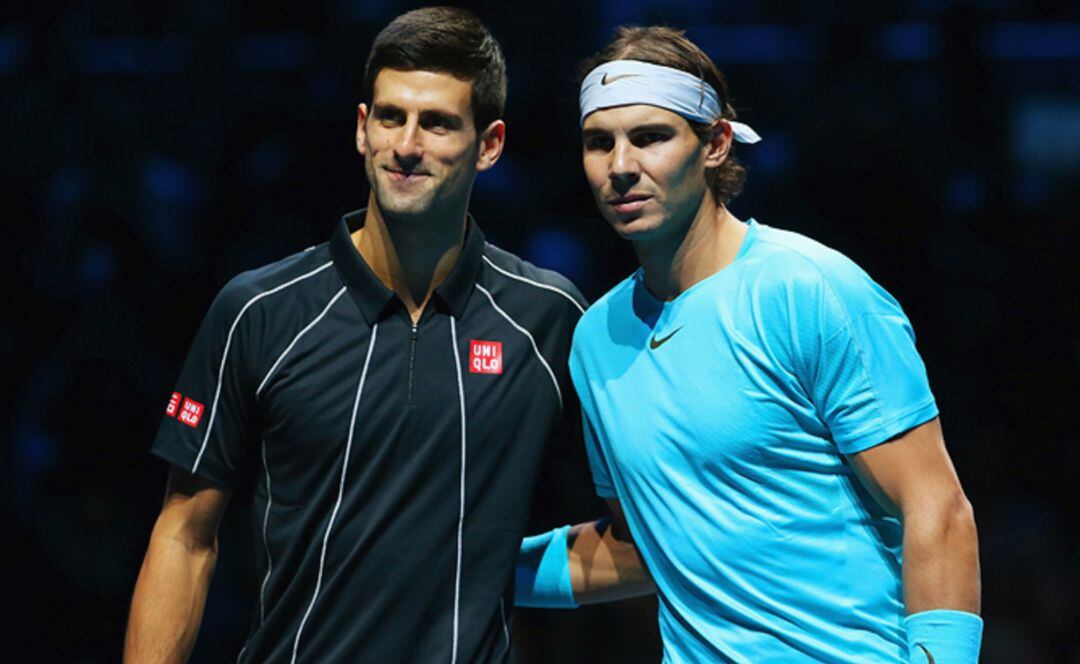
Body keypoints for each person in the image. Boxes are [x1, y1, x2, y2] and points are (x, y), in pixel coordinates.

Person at [124, 8, 599, 662]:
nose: (407, 145)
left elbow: (644, 533)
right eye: (390, 117)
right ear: (360, 128)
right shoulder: (257, 312)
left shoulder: (548, 319)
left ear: (489, 145)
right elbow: (184, 537)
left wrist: (490, 572)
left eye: (436, 123)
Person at [563, 25, 983, 663]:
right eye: (601, 143)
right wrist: (440, 576)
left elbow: (936, 507)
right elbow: (639, 547)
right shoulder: (595, 339)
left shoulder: (810, 288)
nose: (621, 167)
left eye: (650, 137)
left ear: (716, 144)